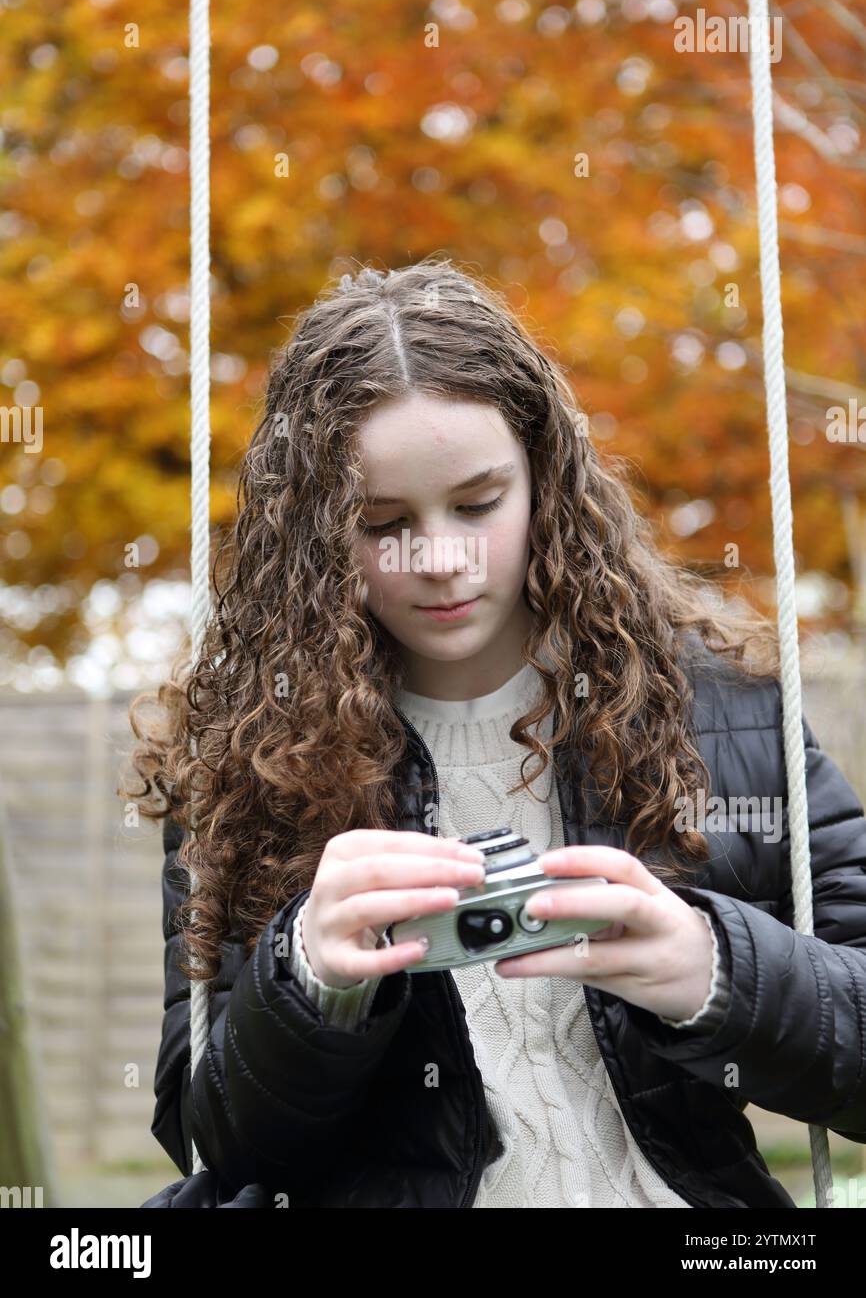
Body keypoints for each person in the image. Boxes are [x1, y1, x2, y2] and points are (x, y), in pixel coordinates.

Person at [123, 257, 866, 1208]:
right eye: (384, 522)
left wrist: (709, 969)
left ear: (544, 482)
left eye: (478, 504)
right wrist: (308, 980)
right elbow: (209, 1133)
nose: (441, 559)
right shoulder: (246, 753)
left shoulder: (721, 707)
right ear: (316, 531)